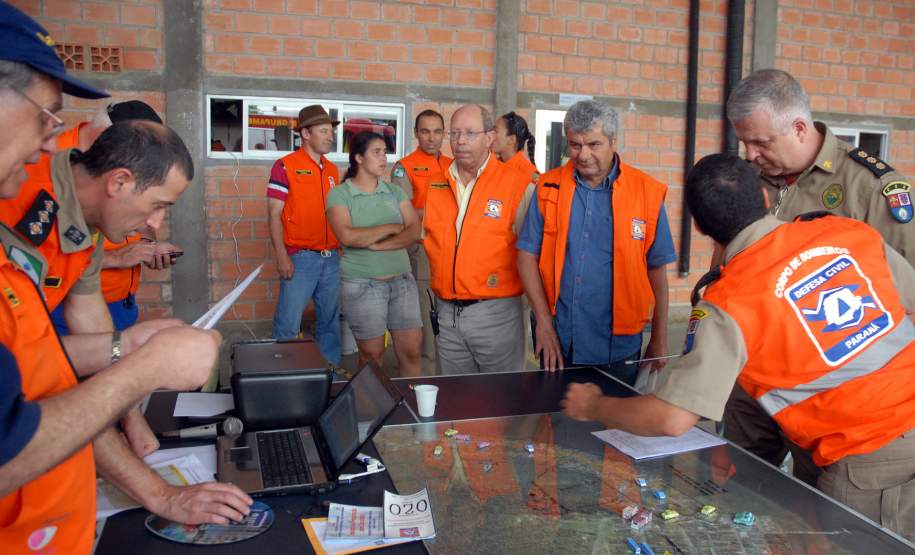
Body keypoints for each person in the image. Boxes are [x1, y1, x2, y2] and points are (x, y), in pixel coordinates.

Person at [0, 6, 251, 554]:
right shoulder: (17, 218)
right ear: (118, 182)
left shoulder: (82, 231)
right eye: (47, 116)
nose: (53, 141)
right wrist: (140, 368)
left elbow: (59, 376)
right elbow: (11, 445)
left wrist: (127, 378)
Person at [562, 153, 915, 541]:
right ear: (766, 199)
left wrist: (593, 406)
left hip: (867, 467)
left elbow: (672, 419)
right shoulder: (848, 233)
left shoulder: (729, 302)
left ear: (699, 227)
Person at [722, 69, 915, 484]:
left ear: (797, 127)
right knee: (741, 483)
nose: (750, 154)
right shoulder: (753, 182)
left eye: (759, 142)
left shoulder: (868, 187)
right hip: (757, 384)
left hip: (833, 401)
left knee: (822, 504)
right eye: (743, 142)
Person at [517, 100, 676, 385]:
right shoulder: (547, 187)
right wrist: (542, 321)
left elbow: (657, 273)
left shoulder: (646, 193)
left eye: (594, 144)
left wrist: (660, 338)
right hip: (560, 340)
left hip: (620, 345)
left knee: (616, 426)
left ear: (613, 141)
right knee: (559, 422)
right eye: (575, 145)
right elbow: (526, 256)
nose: (583, 154)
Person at [422, 104, 535, 374]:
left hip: (495, 315)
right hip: (447, 316)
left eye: (470, 133)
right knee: (457, 404)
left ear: (490, 137)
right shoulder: (436, 184)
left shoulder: (518, 184)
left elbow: (532, 255)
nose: (460, 141)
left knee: (500, 403)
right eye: (455, 133)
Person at [327, 131, 422, 375]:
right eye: (376, 153)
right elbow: (347, 236)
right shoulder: (340, 194)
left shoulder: (394, 192)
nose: (384, 159)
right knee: (372, 356)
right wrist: (390, 228)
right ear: (358, 158)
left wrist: (379, 244)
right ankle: (369, 410)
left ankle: (411, 408)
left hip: (402, 281)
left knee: (411, 352)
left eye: (385, 153)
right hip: (363, 285)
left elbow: (414, 230)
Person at [267, 104, 341, 364]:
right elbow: (274, 213)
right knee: (288, 322)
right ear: (306, 134)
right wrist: (282, 256)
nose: (330, 136)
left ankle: (328, 375)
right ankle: (283, 374)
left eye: (331, 131)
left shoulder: (332, 170)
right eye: (324, 131)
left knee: (330, 322)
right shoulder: (285, 166)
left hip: (331, 257)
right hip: (300, 258)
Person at [390, 109, 452, 372]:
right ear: (416, 133)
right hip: (423, 254)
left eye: (437, 131)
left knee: (451, 322)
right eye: (425, 131)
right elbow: (403, 214)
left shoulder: (453, 164)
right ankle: (428, 383)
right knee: (428, 322)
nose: (431, 138)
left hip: (452, 253)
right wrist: (444, 211)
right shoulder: (404, 168)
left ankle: (449, 381)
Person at [492, 111, 538, 181]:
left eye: (495, 131)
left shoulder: (530, 175)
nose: (490, 135)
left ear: (511, 139)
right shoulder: (492, 166)